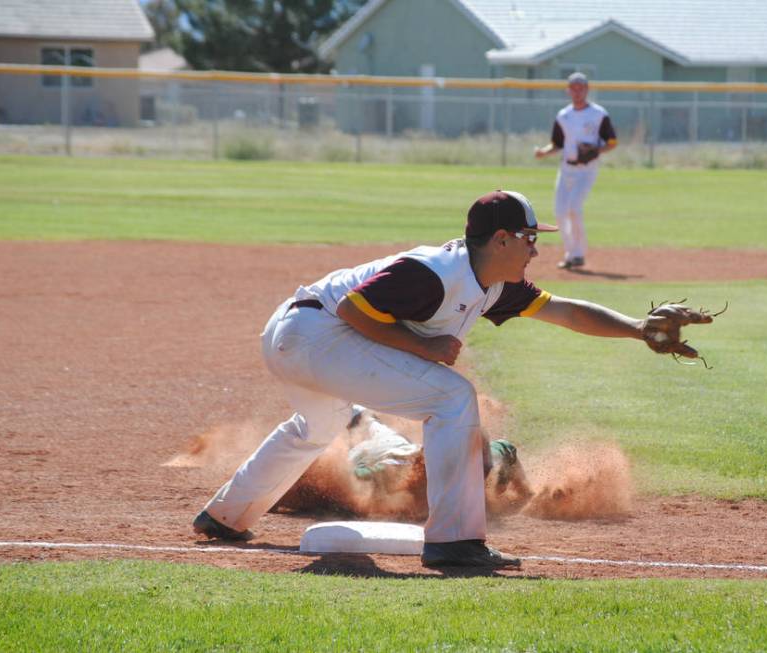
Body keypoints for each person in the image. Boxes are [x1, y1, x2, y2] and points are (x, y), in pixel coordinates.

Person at [193, 190, 654, 569]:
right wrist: (426, 348)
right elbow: (353, 310)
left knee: (318, 425)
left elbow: (568, 312)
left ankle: (225, 517)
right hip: (313, 335)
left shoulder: (496, 284)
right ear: (500, 239)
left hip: (295, 336)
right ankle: (454, 541)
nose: (536, 248)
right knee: (452, 397)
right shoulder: (434, 273)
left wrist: (639, 329)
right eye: (529, 237)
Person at [534, 72, 618, 270]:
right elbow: (556, 143)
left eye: (581, 87)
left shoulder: (598, 114)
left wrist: (596, 150)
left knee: (573, 208)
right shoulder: (564, 116)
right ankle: (571, 253)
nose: (577, 91)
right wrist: (543, 153)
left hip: (587, 170)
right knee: (560, 212)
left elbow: (612, 142)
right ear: (568, 90)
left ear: (587, 90)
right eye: (574, 87)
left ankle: (579, 254)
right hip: (566, 168)